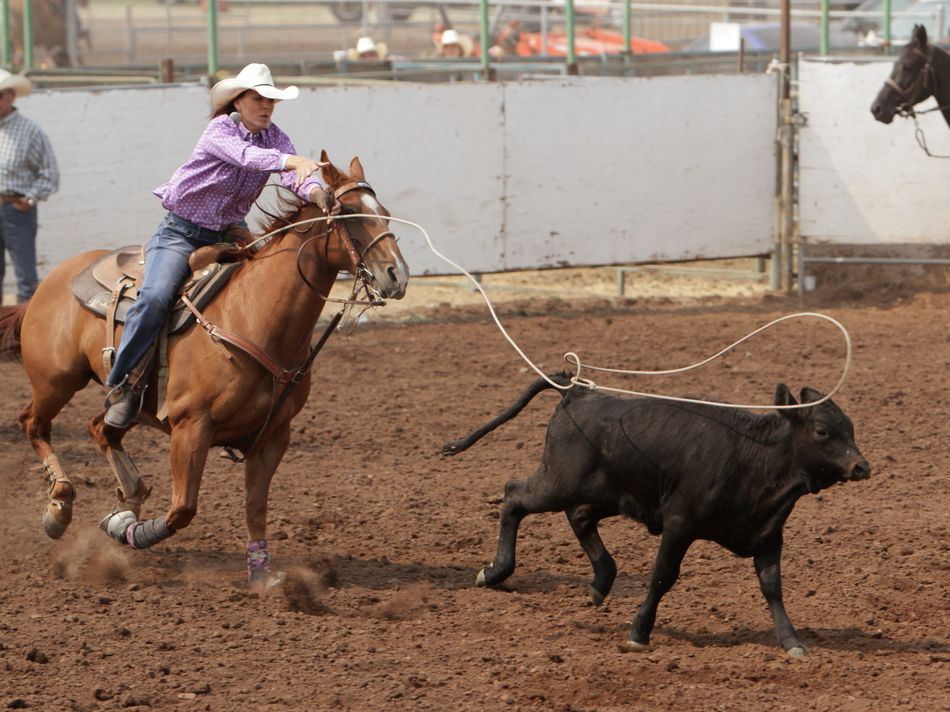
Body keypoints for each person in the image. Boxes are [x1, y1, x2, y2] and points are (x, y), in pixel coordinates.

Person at [104, 62, 335, 428]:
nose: (265, 107)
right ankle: (122, 385)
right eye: (258, 99)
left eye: (270, 101)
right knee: (154, 298)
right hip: (182, 232)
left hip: (231, 232)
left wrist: (317, 191)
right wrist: (291, 160)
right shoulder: (219, 130)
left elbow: (295, 177)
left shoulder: (276, 137)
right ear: (238, 102)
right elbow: (248, 157)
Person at [0, 68, 59, 304]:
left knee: (26, 277)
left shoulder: (30, 131)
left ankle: (24, 334)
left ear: (10, 96)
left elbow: (49, 174)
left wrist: (30, 199)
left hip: (17, 208)